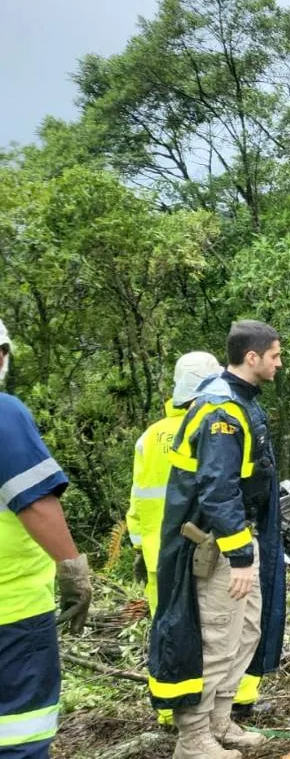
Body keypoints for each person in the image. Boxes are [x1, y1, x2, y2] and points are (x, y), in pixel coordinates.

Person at [148, 320, 286, 759]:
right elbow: (217, 489)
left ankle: (220, 721)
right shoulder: (221, 412)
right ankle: (194, 739)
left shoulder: (241, 402)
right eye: (275, 356)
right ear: (252, 357)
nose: (279, 363)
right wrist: (241, 555)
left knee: (245, 632)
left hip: (242, 539)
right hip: (219, 548)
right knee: (215, 637)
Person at [0, 317, 93, 759]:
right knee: (19, 731)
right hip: (11, 609)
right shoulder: (3, 413)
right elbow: (34, 502)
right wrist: (73, 570)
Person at [127, 351, 222, 727]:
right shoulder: (210, 427)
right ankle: (216, 707)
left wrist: (139, 545)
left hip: (156, 552)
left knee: (165, 627)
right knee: (208, 629)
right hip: (200, 550)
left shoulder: (149, 438)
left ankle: (168, 709)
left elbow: (137, 499)